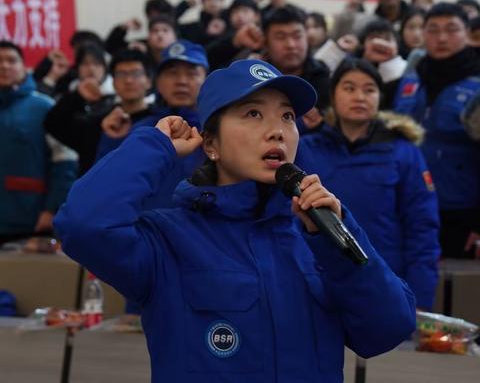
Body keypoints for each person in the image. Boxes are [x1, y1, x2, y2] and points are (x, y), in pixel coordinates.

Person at [54, 58, 416, 382]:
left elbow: (387, 329)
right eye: (253, 114)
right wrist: (154, 146)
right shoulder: (167, 239)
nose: (277, 130)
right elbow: (84, 225)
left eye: (287, 116)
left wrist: (340, 245)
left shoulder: (318, 235)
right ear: (210, 143)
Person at [297, 58, 440, 309]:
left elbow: (422, 230)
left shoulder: (403, 153)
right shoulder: (306, 150)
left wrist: (419, 302)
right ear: (333, 95)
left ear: (380, 98)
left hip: (384, 282)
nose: (359, 97)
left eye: (369, 89)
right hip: (316, 282)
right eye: (349, 88)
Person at [394, 2, 480, 258]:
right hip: (409, 206)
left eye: (452, 29)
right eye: (433, 29)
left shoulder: (477, 84)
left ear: (466, 32)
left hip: (462, 213)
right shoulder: (411, 78)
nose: (442, 37)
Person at [96, 40, 208, 210]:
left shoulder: (219, 129)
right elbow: (108, 183)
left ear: (207, 80)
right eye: (172, 73)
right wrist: (112, 140)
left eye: (191, 74)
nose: (182, 81)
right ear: (158, 83)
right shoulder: (143, 130)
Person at [0, 41, 77, 241]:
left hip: (29, 219)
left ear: (23, 67)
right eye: (0, 61)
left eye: (11, 60)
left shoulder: (45, 107)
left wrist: (53, 208)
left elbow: (66, 162)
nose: (5, 66)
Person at [44, 44, 116, 175]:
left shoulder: (117, 99)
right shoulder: (69, 94)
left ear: (105, 68)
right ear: (77, 68)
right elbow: (52, 123)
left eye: (97, 64)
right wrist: (77, 97)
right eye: (85, 64)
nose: (91, 69)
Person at [262, 6, 331, 132]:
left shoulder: (323, 76)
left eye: (297, 36)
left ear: (307, 38)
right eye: (281, 37)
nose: (291, 45)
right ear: (266, 42)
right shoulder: (256, 77)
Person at [359, 19, 408, 109]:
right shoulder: (354, 68)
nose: (381, 44)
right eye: (374, 38)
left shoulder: (406, 69)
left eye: (387, 39)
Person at [206, 0, 262, 71]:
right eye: (235, 12)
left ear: (257, 16)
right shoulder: (223, 37)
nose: (240, 16)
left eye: (245, 11)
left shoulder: (264, 38)